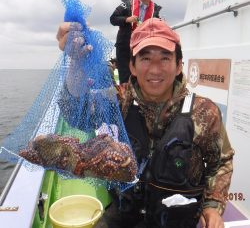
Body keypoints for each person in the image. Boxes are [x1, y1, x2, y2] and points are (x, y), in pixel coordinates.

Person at [57, 18, 234, 228]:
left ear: (179, 66)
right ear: (132, 66)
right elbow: (75, 114)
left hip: (179, 220)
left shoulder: (204, 111)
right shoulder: (118, 101)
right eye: (146, 58)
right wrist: (76, 62)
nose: (155, 69)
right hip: (124, 215)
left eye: (165, 58)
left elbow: (221, 162)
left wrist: (212, 206)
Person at [110, 0, 162, 84]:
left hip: (142, 49)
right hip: (124, 48)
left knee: (141, 80)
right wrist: (127, 19)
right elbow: (113, 19)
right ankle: (125, 100)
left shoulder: (155, 10)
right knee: (125, 80)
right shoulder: (127, 4)